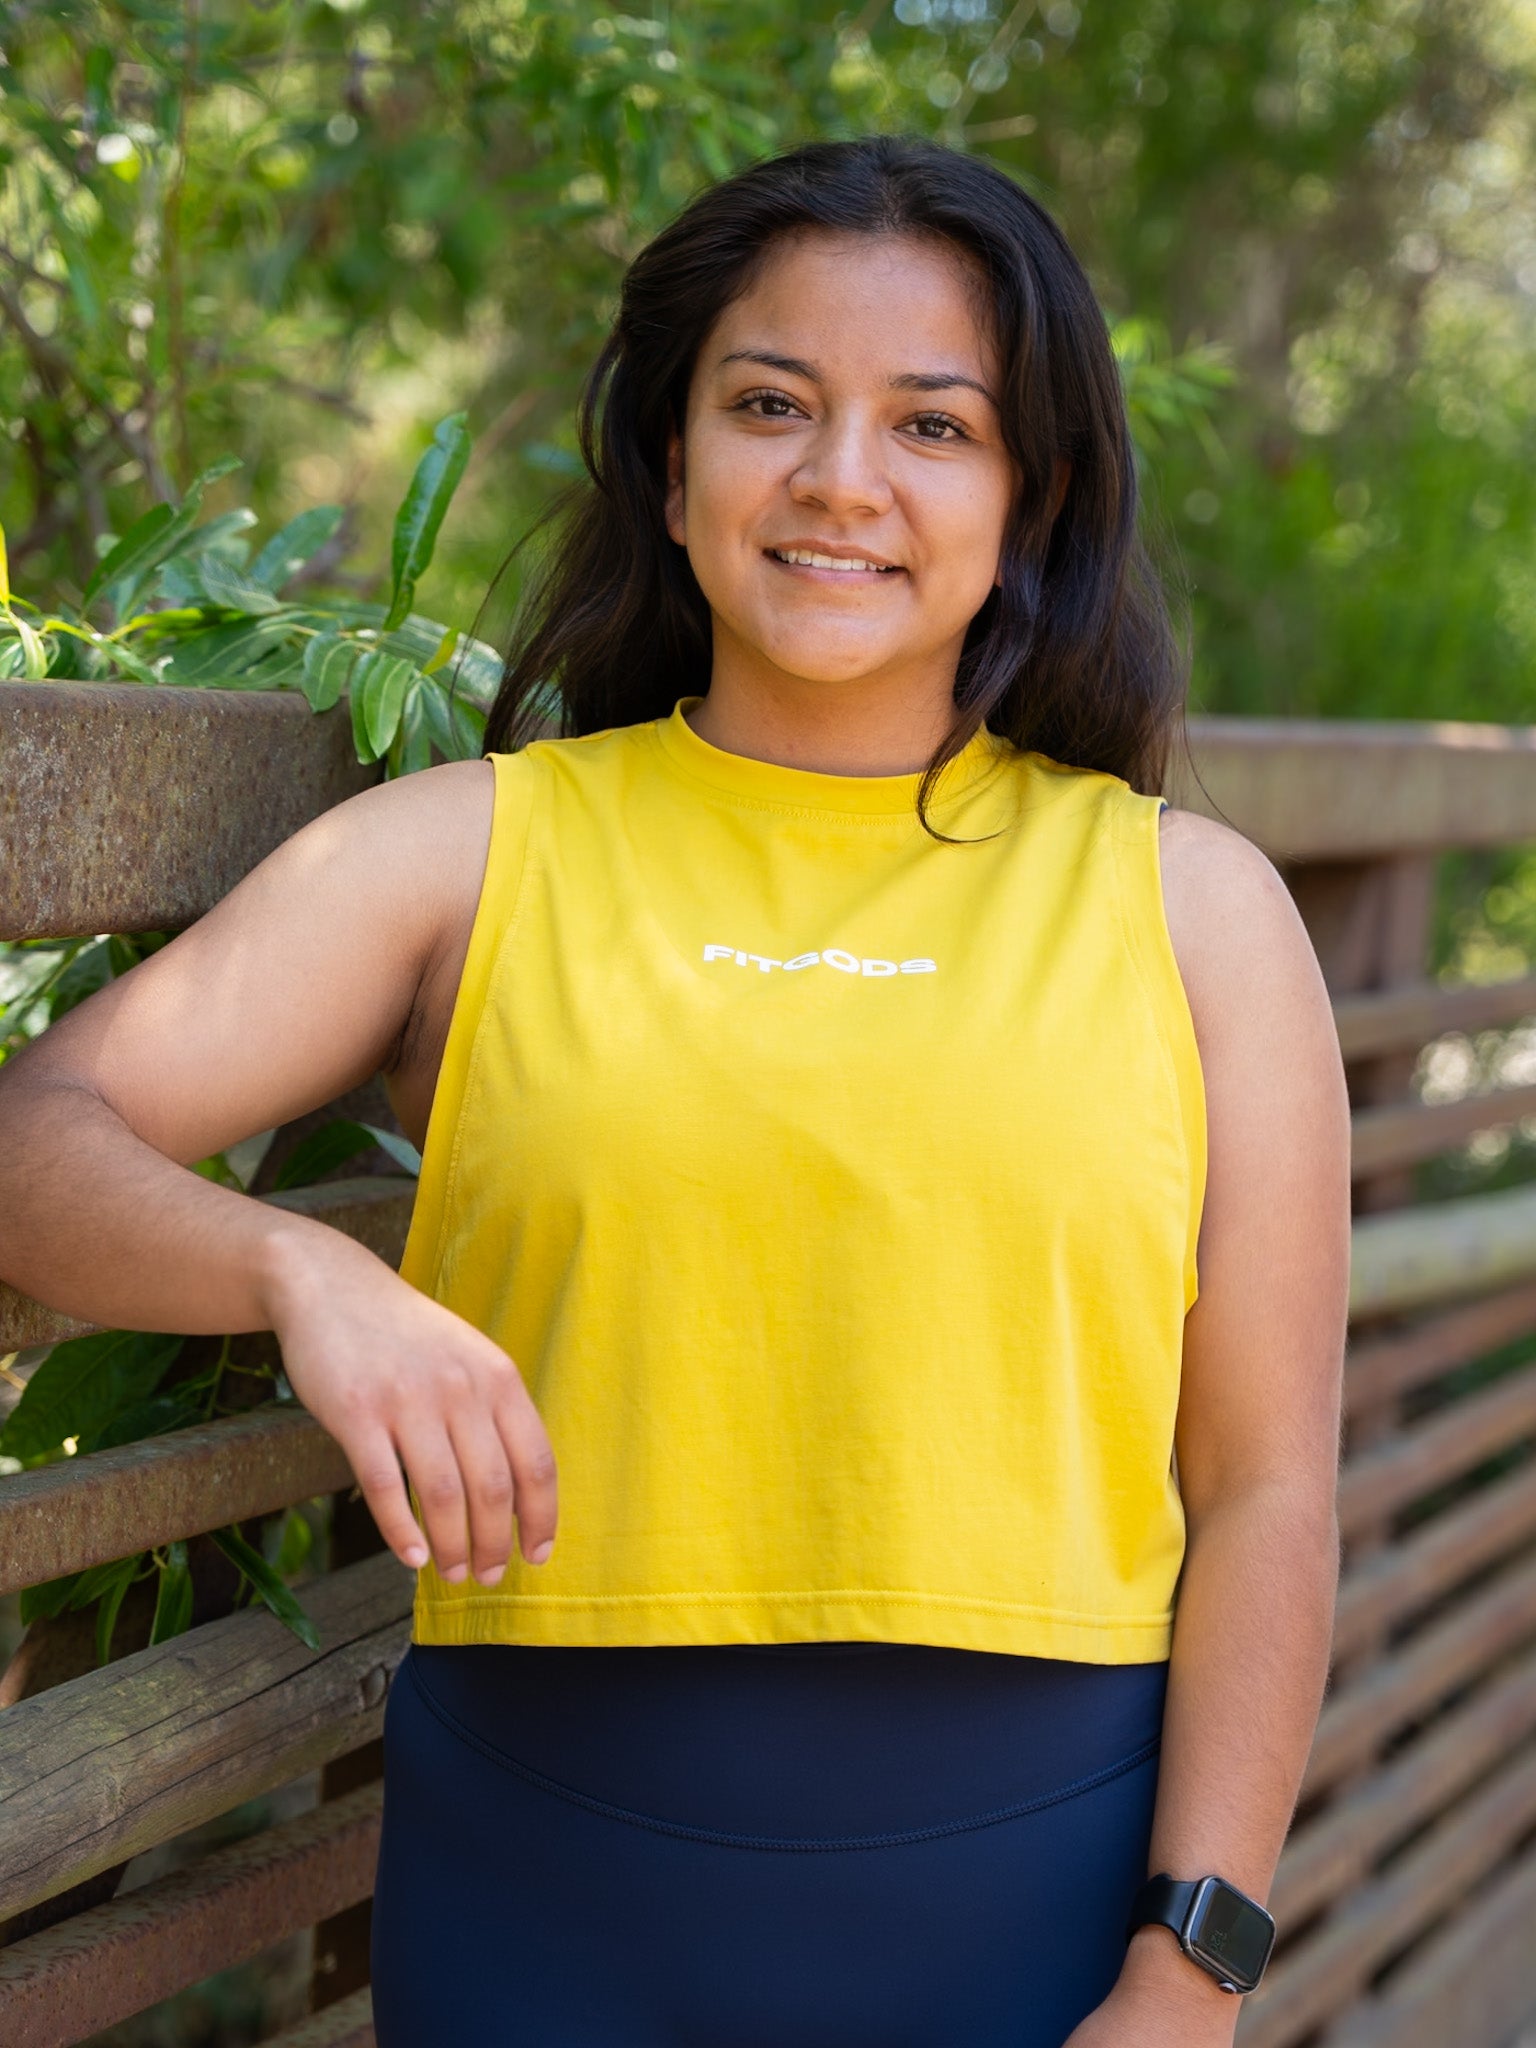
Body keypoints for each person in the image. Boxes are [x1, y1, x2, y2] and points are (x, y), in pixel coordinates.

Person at [0, 136, 1349, 2045]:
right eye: (769, 404)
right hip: (544, 1902)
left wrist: (1194, 1964)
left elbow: (1270, 1484)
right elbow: (34, 1143)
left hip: (1037, 1916)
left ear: (1029, 494)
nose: (840, 481)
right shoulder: (466, 856)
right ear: (667, 456)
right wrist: (309, 1278)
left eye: (934, 427)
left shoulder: (1190, 908)